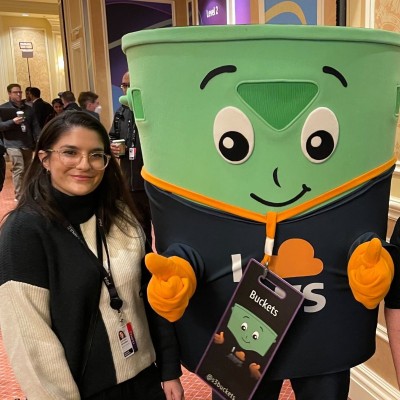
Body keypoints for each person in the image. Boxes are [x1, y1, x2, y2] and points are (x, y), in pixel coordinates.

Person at [0, 111, 184, 400]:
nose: (85, 164)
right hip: (84, 391)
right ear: (44, 159)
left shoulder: (120, 215)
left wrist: (169, 368)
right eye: (70, 152)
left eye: (96, 155)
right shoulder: (24, 232)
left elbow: (149, 294)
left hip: (144, 379)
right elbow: (31, 340)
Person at [110, 72, 151, 240]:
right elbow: (112, 135)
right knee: (139, 227)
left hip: (150, 181)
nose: (125, 89)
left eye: (129, 85)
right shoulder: (121, 111)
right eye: (123, 85)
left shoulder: (150, 109)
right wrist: (113, 146)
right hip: (129, 180)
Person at [0, 83, 41, 201]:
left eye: (20, 92)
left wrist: (39, 139)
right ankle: (19, 196)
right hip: (12, 143)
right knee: (19, 168)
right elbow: (1, 126)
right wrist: (13, 122)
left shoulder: (28, 109)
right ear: (9, 94)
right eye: (15, 92)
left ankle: (27, 193)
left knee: (28, 170)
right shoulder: (3, 109)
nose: (19, 94)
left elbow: (35, 126)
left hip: (27, 143)